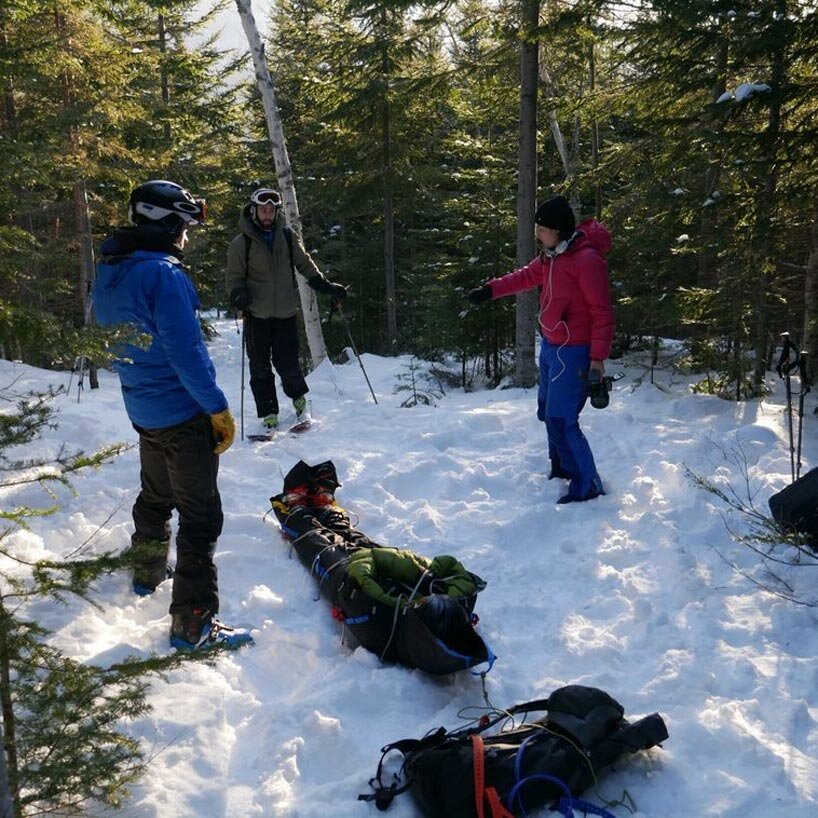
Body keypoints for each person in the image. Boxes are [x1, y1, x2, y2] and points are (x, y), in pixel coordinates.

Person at [94, 179, 253, 651]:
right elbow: (187, 354)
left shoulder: (112, 269)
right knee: (201, 517)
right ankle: (192, 624)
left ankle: (146, 572)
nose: (186, 233)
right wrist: (216, 409)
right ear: (165, 224)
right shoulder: (163, 273)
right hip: (182, 415)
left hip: (144, 410)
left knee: (156, 494)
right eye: (183, 223)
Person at [468, 195, 614, 503]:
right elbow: (524, 277)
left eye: (542, 228)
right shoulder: (551, 257)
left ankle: (587, 484)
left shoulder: (586, 261)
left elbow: (602, 312)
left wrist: (597, 360)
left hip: (574, 351)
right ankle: (562, 469)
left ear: (558, 231)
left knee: (563, 418)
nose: (537, 233)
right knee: (548, 413)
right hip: (551, 347)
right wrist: (490, 290)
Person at [226, 188, 347, 431]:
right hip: (256, 315)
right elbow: (234, 277)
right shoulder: (242, 243)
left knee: (288, 363)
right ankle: (269, 414)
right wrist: (238, 294)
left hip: (285, 313)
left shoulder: (288, 237)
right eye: (263, 210)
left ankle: (300, 402)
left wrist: (324, 285)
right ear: (254, 211)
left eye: (271, 210)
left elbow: (304, 264)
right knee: (259, 366)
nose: (268, 214)